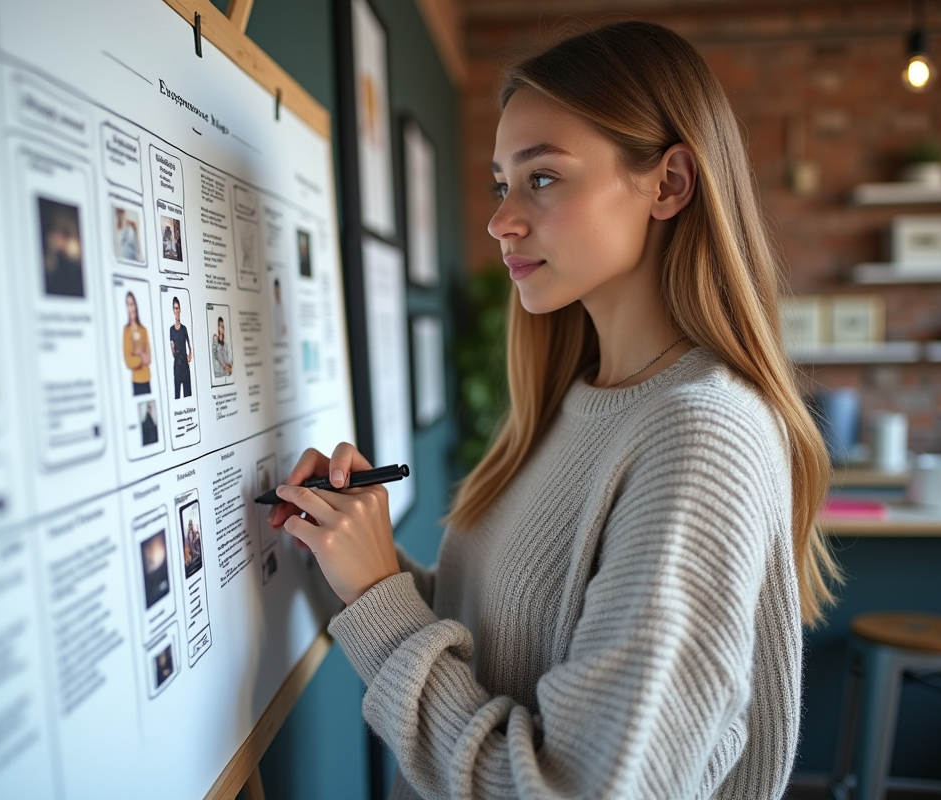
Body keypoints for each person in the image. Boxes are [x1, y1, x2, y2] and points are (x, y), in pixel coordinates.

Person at [267, 22, 840, 800]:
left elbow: (572, 787)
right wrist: (367, 562)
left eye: (542, 177)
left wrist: (378, 600)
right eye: (502, 184)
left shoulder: (701, 435)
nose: (501, 219)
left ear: (669, 184)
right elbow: (505, 643)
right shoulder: (575, 400)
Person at [122, 292, 152, 395]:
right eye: (128, 305)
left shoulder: (143, 330)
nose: (131, 308)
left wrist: (138, 355)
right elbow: (129, 361)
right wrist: (142, 358)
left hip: (147, 378)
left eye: (132, 304)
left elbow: (149, 359)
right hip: (137, 381)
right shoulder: (126, 331)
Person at [169, 296, 192, 399]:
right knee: (177, 395)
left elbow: (189, 345)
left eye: (177, 308)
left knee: (188, 394)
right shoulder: (171, 330)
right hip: (177, 366)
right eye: (174, 308)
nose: (176, 311)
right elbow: (172, 350)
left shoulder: (184, 329)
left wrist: (190, 354)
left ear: (180, 309)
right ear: (172, 310)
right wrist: (173, 349)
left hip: (185, 366)